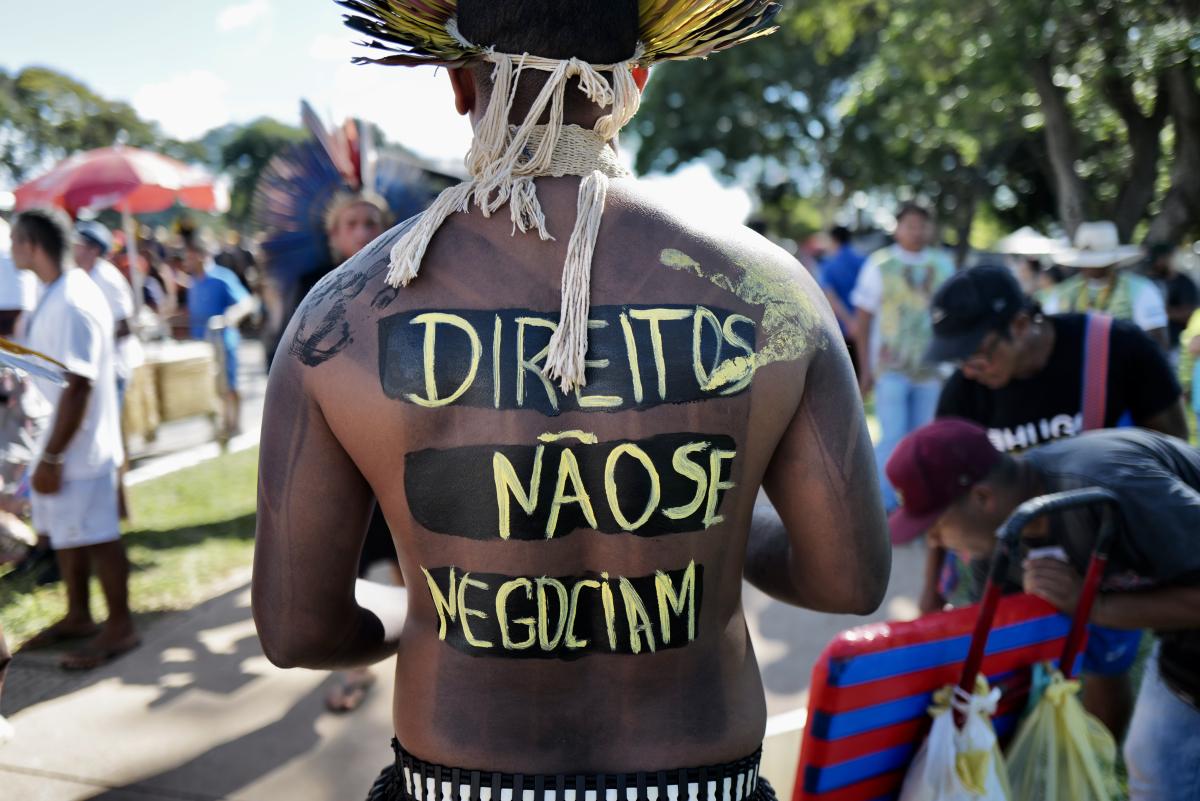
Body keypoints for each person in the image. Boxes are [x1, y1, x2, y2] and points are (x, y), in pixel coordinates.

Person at [253, 2, 890, 798]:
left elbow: (298, 629)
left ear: (459, 82)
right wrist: (723, 527)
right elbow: (846, 579)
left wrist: (427, 608)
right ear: (635, 81)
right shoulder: (774, 293)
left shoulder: (341, 314)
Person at [927, 263, 1188, 735]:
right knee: (1008, 666)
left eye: (978, 353)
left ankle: (1098, 756)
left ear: (1020, 325)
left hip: (1103, 550)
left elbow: (1170, 440)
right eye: (957, 358)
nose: (969, 369)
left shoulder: (1117, 347)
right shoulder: (965, 392)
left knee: (1103, 661)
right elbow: (940, 493)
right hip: (1013, 553)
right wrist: (933, 591)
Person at [888, 420, 1200, 801]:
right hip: (1181, 652)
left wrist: (1094, 604)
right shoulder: (1000, 540)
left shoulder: (1107, 482)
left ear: (983, 498)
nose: (934, 541)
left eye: (935, 526)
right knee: (1155, 769)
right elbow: (998, 660)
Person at [8, 208, 138, 670]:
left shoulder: (73, 299)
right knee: (68, 535)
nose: (10, 251)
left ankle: (120, 626)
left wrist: (53, 456)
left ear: (31, 245)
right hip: (62, 442)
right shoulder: (57, 291)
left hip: (80, 448)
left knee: (99, 536)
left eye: (14, 242)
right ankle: (79, 615)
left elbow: (79, 384)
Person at [851, 202, 954, 516]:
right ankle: (883, 504)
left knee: (924, 437)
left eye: (922, 225)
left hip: (931, 369)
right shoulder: (880, 264)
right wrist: (865, 369)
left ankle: (919, 502)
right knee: (893, 436)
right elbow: (863, 318)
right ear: (897, 228)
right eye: (910, 225)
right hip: (891, 367)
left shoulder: (943, 264)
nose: (916, 231)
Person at [1041, 221, 1169, 349]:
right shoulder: (1063, 293)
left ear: (1113, 262)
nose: (1090, 266)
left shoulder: (1140, 289)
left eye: (1096, 262)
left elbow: (1157, 341)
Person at [181, 230, 257, 437]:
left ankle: (235, 426)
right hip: (202, 345)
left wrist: (228, 317)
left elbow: (246, 303)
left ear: (201, 255)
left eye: (190, 256)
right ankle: (221, 427)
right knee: (210, 389)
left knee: (229, 385)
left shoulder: (222, 277)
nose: (187, 261)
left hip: (223, 340)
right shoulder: (193, 282)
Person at [817, 225, 865, 373]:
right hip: (865, 327)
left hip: (842, 329)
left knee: (846, 375)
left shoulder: (829, 265)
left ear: (834, 240)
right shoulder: (864, 260)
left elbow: (831, 297)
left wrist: (850, 322)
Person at [1145, 243, 1199, 362]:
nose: (1158, 263)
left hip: (1177, 347)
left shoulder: (1184, 283)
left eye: (1162, 258)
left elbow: (1190, 313)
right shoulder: (1148, 282)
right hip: (1152, 346)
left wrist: (1162, 312)